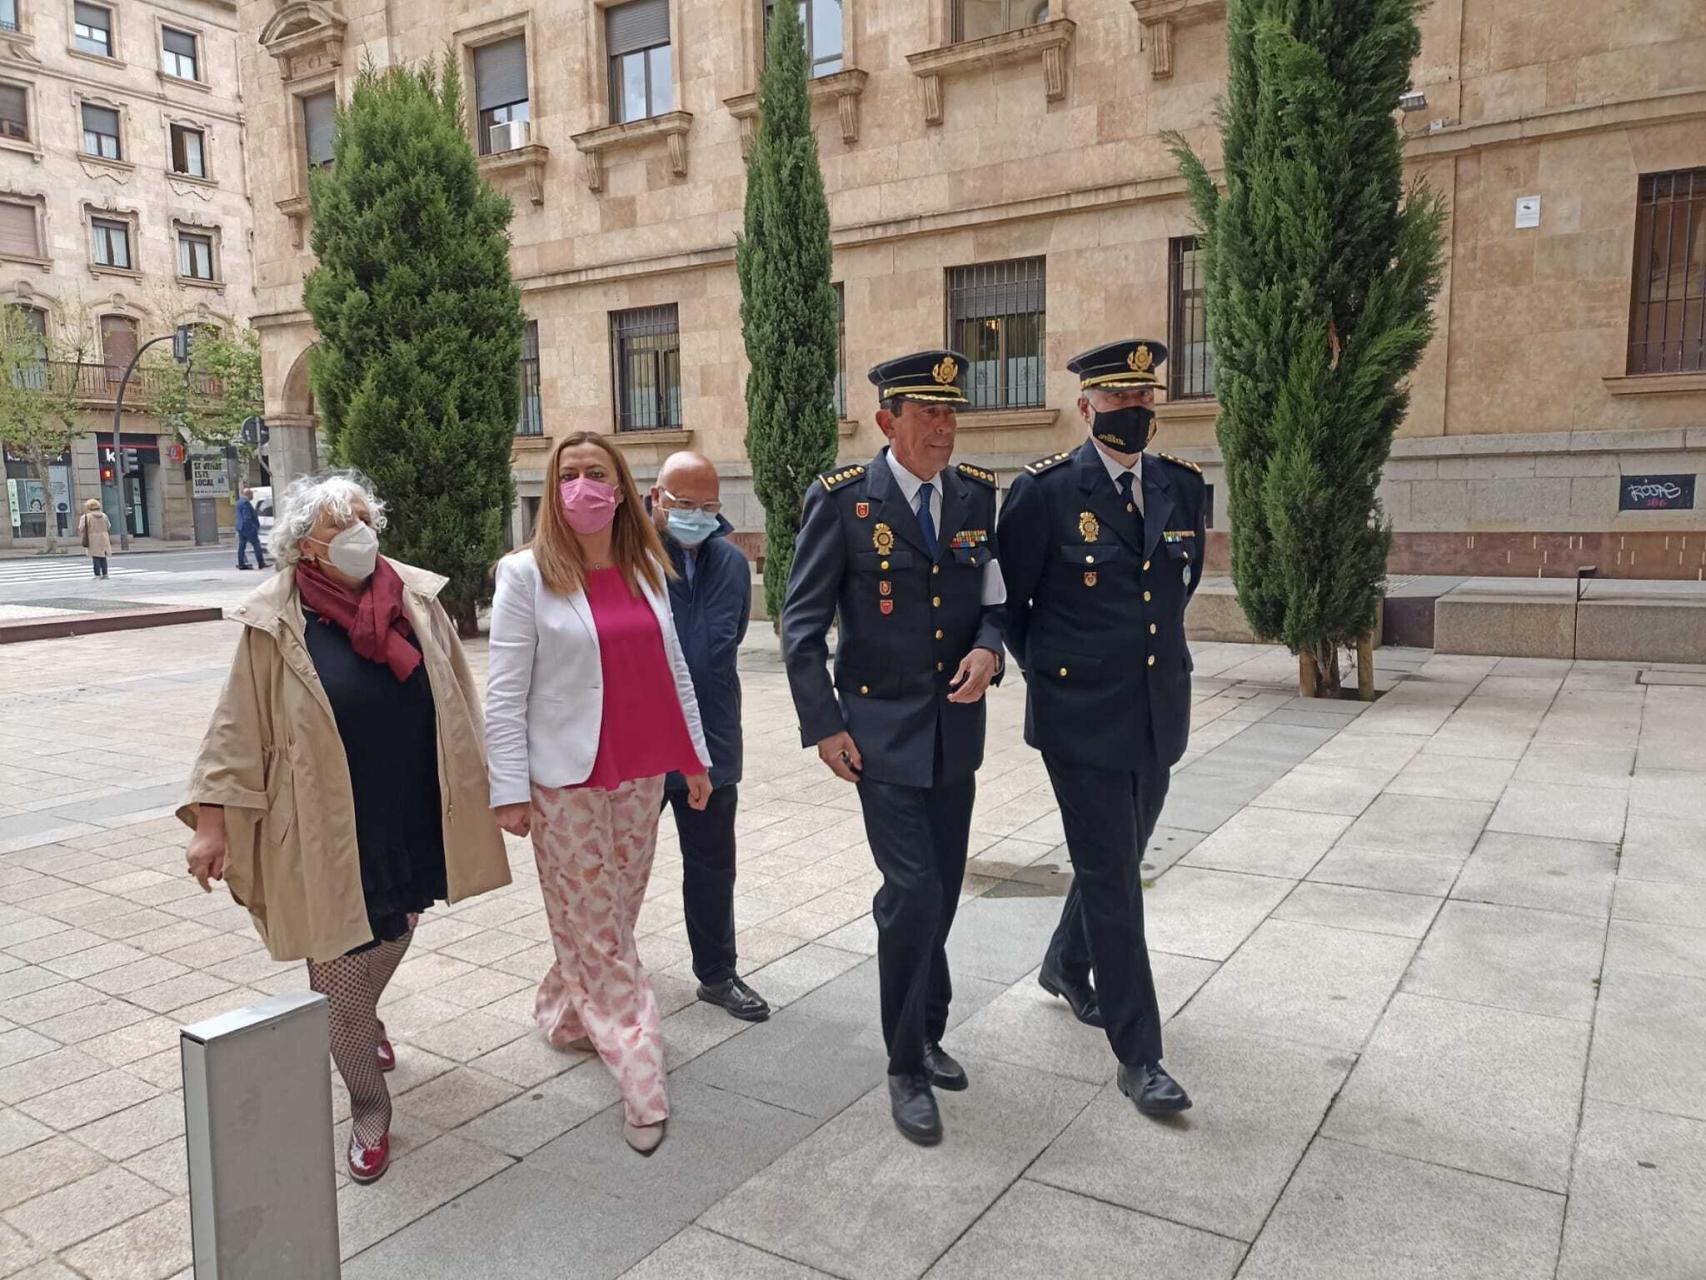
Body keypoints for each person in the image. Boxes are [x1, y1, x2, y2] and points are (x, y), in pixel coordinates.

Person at [179, 471, 511, 1185]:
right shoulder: (275, 622)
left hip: (413, 806)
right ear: (306, 546)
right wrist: (212, 824)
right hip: (326, 821)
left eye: (365, 516)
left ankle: (361, 1021)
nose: (361, 533)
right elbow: (235, 729)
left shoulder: (414, 601)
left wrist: (494, 784)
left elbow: (459, 699)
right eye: (341, 523)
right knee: (336, 966)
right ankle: (368, 1103)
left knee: (395, 928)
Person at [781, 350, 1004, 1146]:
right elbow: (801, 626)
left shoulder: (977, 495)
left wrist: (991, 651)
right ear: (887, 422)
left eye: (952, 414)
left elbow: (994, 602)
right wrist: (825, 724)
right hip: (878, 734)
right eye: (927, 414)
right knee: (910, 890)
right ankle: (904, 1063)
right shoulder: (843, 503)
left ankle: (930, 1029)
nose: (944, 428)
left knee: (940, 889)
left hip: (955, 730)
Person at [486, 430, 713, 1157]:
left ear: (621, 489)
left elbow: (674, 671)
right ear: (553, 491)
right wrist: (507, 792)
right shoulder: (525, 575)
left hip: (642, 772)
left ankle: (564, 1012)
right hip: (566, 783)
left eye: (598, 474)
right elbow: (504, 693)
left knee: (609, 916)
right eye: (570, 475)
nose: (583, 486)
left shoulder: (647, 569)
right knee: (606, 935)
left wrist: (696, 760)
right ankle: (641, 1074)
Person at [997, 339, 1207, 1117]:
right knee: (1118, 879)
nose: (1133, 414)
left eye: (1143, 400)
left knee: (1119, 854)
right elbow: (1010, 611)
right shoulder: (1044, 493)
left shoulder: (1184, 486)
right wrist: (1065, 670)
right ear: (1086, 407)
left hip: (1158, 712)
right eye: (1116, 402)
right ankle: (1140, 1055)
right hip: (1078, 719)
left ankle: (1064, 965)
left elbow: (1179, 590)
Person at [648, 451, 770, 1022]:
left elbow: (728, 641)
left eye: (709, 507)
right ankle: (605, 974)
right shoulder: (631, 560)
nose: (698, 517)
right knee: (620, 867)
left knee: (713, 864)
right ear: (657, 499)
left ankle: (718, 973)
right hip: (641, 744)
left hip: (714, 739)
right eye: (685, 505)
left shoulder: (728, 562)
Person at [77, 498, 112, 579]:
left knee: (95, 556)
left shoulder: (86, 517)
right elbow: (109, 526)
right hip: (104, 537)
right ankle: (105, 573)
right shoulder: (104, 515)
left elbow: (81, 528)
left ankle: (97, 574)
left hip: (92, 537)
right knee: (103, 555)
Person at [235, 487, 268, 570]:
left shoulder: (239, 502)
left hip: (240, 527)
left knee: (242, 546)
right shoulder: (246, 503)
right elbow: (247, 517)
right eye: (252, 494)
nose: (252, 496)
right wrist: (253, 527)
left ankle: (241, 563)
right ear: (248, 494)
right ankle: (261, 563)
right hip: (248, 528)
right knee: (256, 544)